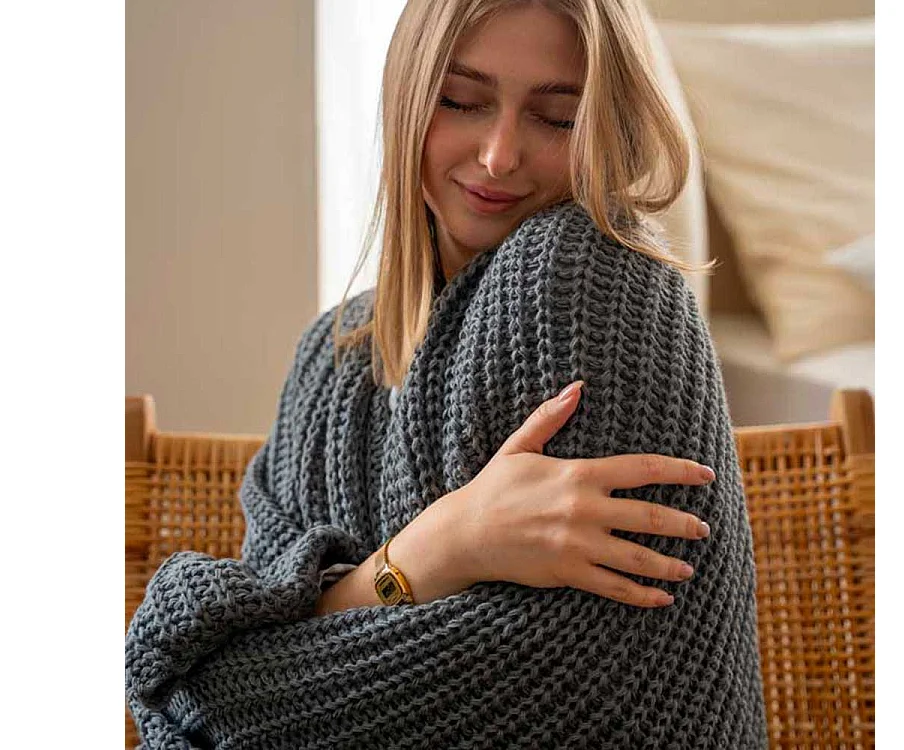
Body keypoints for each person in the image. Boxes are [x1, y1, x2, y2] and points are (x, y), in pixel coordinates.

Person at [125, 2, 768, 748]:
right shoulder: (330, 356)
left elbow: (589, 682)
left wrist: (309, 629)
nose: (499, 155)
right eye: (462, 101)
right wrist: (442, 548)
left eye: (556, 118)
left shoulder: (593, 280)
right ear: (407, 97)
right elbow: (215, 676)